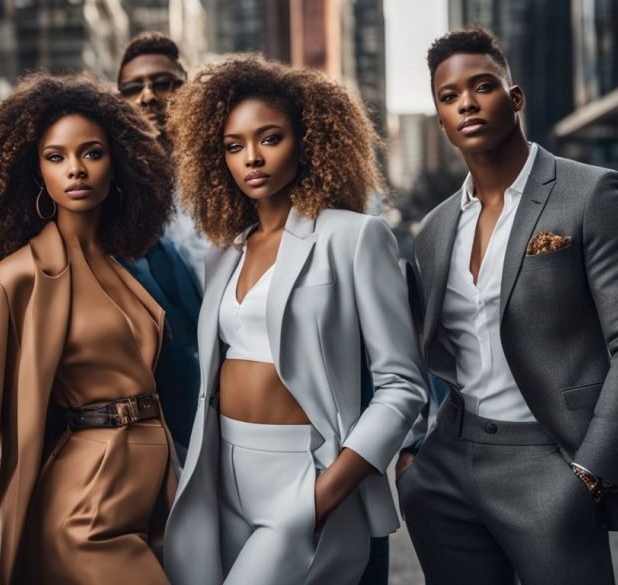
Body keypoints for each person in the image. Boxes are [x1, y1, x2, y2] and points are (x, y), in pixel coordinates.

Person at [396, 28, 618, 585]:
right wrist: (413, 456)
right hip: (448, 466)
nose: (466, 103)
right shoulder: (436, 228)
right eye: (449, 97)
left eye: (482, 87)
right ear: (441, 118)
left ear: (514, 98)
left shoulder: (592, 194)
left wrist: (590, 472)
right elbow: (421, 348)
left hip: (550, 463)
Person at [162, 55, 428, 585]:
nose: (251, 159)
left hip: (306, 475)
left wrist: (326, 493)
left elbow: (403, 386)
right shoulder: (226, 252)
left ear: (306, 142)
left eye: (270, 138)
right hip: (223, 474)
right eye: (233, 146)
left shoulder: (352, 237)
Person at [0, 73, 177, 585]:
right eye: (56, 157)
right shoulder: (11, 282)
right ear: (35, 174)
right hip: (83, 512)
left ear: (118, 163)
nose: (76, 169)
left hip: (147, 503)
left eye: (91, 153)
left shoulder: (124, 269)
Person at [116, 32, 204, 457]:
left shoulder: (231, 175)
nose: (147, 96)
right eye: (133, 88)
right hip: (168, 402)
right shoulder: (112, 196)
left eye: (163, 83)